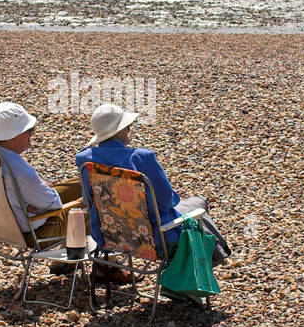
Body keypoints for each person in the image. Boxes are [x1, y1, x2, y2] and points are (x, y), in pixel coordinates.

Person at [75, 103, 230, 271]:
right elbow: (168, 200)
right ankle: (191, 278)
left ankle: (208, 262)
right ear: (118, 131)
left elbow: (88, 199)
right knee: (197, 205)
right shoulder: (142, 158)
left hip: (110, 237)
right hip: (155, 240)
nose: (129, 130)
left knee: (193, 212)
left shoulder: (85, 160)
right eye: (127, 126)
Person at [0, 101, 80, 242]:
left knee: (83, 183)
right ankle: (104, 262)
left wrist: (34, 200)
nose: (32, 133)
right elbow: (55, 204)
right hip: (35, 234)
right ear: (12, 137)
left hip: (5, 226)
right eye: (29, 130)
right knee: (94, 204)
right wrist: (40, 191)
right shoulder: (22, 175)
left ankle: (66, 264)